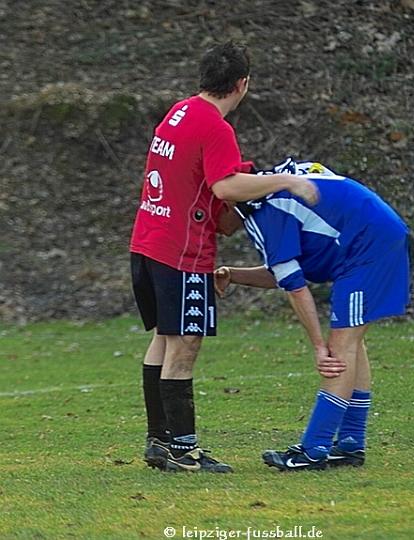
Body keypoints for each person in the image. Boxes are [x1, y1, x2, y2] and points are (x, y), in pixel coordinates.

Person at [129, 43, 318, 473]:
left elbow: (202, 189)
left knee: (165, 338)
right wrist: (283, 182)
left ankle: (159, 441)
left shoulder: (179, 112)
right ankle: (182, 449)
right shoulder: (215, 127)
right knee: (185, 343)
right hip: (181, 251)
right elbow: (225, 187)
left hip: (148, 240)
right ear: (242, 84)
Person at [215, 157, 410, 471]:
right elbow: (284, 272)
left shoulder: (264, 213)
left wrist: (319, 346)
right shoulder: (267, 194)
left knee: (338, 349)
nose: (213, 231)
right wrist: (234, 274)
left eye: (208, 218)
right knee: (351, 343)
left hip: (366, 248)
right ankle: (350, 443)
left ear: (227, 203)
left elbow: (295, 287)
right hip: (373, 237)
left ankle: (314, 450)